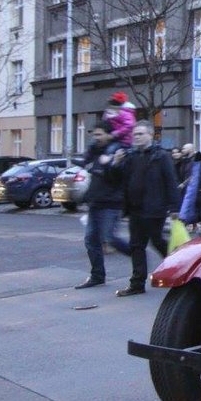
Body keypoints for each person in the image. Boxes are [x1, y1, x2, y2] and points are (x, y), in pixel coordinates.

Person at [110, 120, 179, 297]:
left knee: (157, 242)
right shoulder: (131, 157)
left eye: (140, 134)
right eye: (135, 134)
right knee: (136, 246)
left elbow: (171, 182)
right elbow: (117, 180)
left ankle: (179, 272)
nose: (137, 137)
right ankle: (137, 283)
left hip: (154, 208)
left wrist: (174, 208)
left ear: (150, 135)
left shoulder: (161, 156)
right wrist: (116, 164)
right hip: (135, 209)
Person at [74, 121, 131, 289]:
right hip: (96, 202)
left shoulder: (118, 151)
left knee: (110, 238)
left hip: (111, 203)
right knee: (91, 240)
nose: (96, 138)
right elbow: (88, 165)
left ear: (108, 134)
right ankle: (97, 275)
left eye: (99, 134)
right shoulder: (95, 151)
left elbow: (117, 177)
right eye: (95, 135)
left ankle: (137, 257)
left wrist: (112, 163)